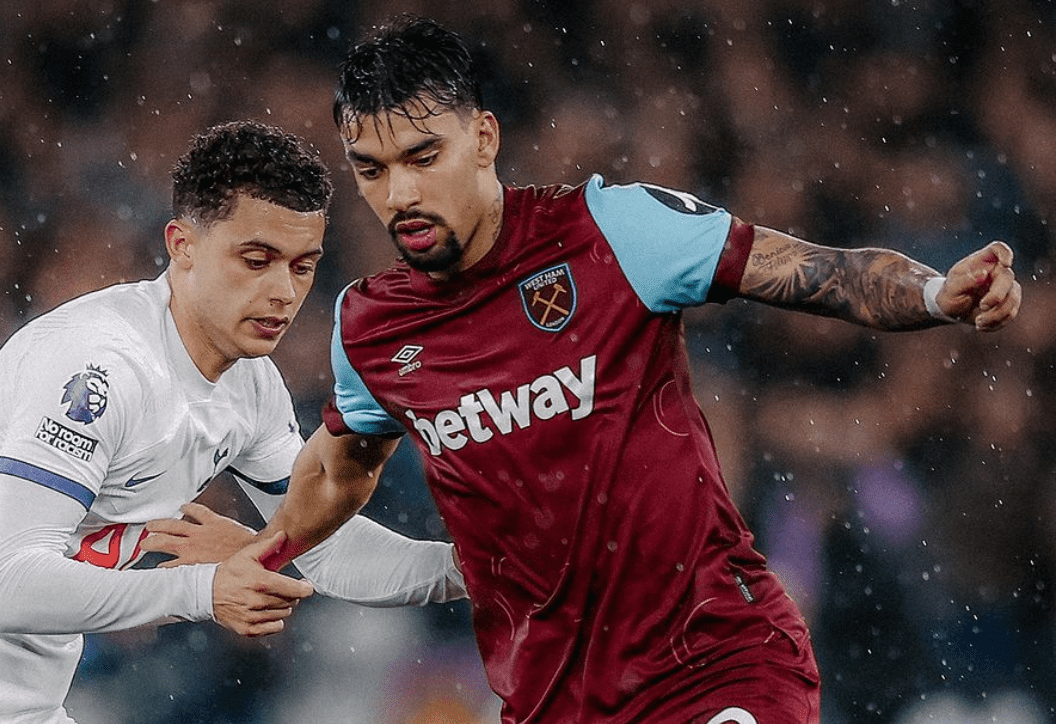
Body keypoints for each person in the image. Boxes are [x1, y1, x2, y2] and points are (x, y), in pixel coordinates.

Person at [235, 16, 1022, 724]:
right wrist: (254, 553)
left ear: (483, 136)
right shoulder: (370, 328)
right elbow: (337, 481)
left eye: (422, 156)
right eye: (370, 170)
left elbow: (821, 272)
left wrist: (934, 292)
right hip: (551, 703)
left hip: (718, 668)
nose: (399, 192)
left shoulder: (614, 230)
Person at [0, 120, 464, 724]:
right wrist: (204, 590)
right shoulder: (96, 367)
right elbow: (11, 587)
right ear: (183, 246)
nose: (283, 291)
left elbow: (321, 542)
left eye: (302, 266)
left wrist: (472, 570)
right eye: (255, 261)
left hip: (13, 705)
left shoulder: (250, 386)